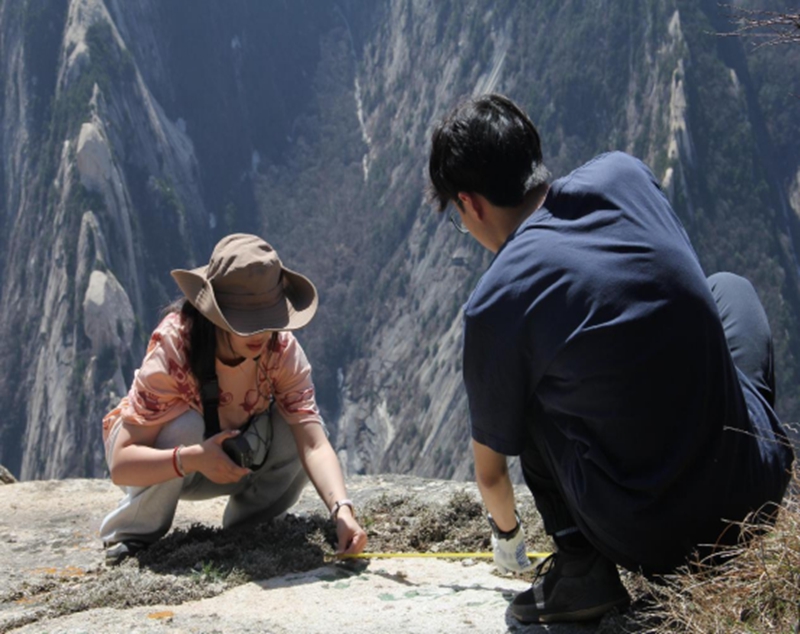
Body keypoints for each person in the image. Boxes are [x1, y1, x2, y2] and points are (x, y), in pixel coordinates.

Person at [427, 93, 795, 624]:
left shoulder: (498, 302)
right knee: (728, 289)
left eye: (460, 217)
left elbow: (491, 473)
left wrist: (508, 541)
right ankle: (741, 456)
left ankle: (580, 572)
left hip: (663, 539)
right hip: (757, 483)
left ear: (472, 204)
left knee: (523, 388)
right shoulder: (625, 174)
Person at [100, 233, 367, 565]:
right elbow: (121, 465)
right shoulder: (174, 347)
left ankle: (249, 530)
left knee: (293, 425)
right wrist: (194, 457)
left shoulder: (280, 350)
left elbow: (313, 442)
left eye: (268, 320)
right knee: (184, 424)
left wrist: (341, 509)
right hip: (175, 461)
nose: (261, 334)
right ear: (216, 315)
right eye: (246, 323)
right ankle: (134, 536)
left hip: (236, 463)